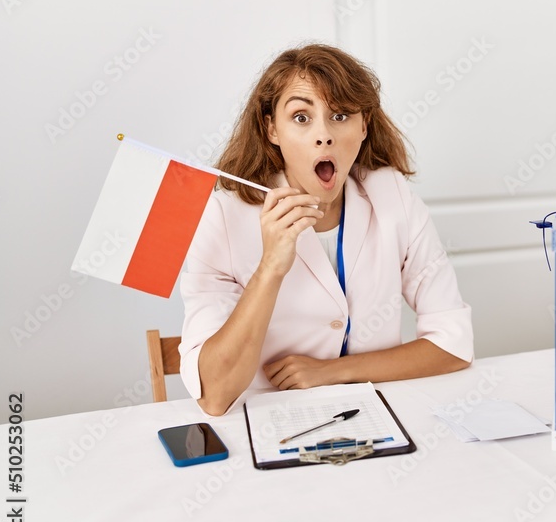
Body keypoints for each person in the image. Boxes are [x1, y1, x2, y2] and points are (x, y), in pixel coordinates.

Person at [179, 44, 473, 416]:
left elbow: (454, 345)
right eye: (301, 117)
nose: (324, 136)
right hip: (268, 422)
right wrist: (271, 266)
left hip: (379, 418)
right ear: (272, 129)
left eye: (340, 115)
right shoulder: (224, 216)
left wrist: (333, 372)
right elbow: (215, 396)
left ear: (364, 125)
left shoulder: (392, 195)